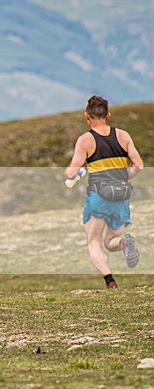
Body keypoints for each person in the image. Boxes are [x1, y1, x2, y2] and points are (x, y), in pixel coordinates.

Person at [66, 95, 144, 288]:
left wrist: (76, 171)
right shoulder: (123, 136)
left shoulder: (85, 140)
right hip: (121, 195)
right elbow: (139, 166)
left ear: (87, 116)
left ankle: (109, 279)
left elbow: (71, 172)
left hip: (99, 196)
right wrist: (124, 176)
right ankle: (123, 244)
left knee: (94, 241)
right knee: (111, 241)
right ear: (108, 115)